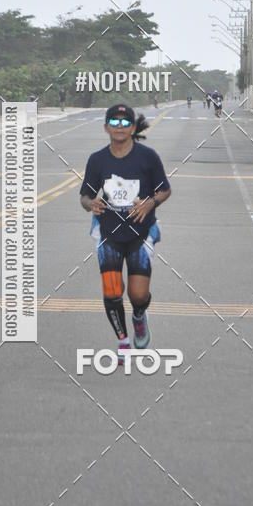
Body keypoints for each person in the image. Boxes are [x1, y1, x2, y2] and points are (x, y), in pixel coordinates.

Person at [80, 104, 171, 361]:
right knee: (111, 290)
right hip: (108, 233)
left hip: (141, 234)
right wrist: (91, 204)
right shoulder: (97, 160)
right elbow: (85, 196)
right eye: (114, 122)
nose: (119, 127)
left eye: (124, 123)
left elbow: (164, 189)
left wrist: (150, 203)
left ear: (132, 128)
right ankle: (123, 340)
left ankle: (139, 316)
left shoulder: (148, 157)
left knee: (138, 294)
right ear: (106, 126)